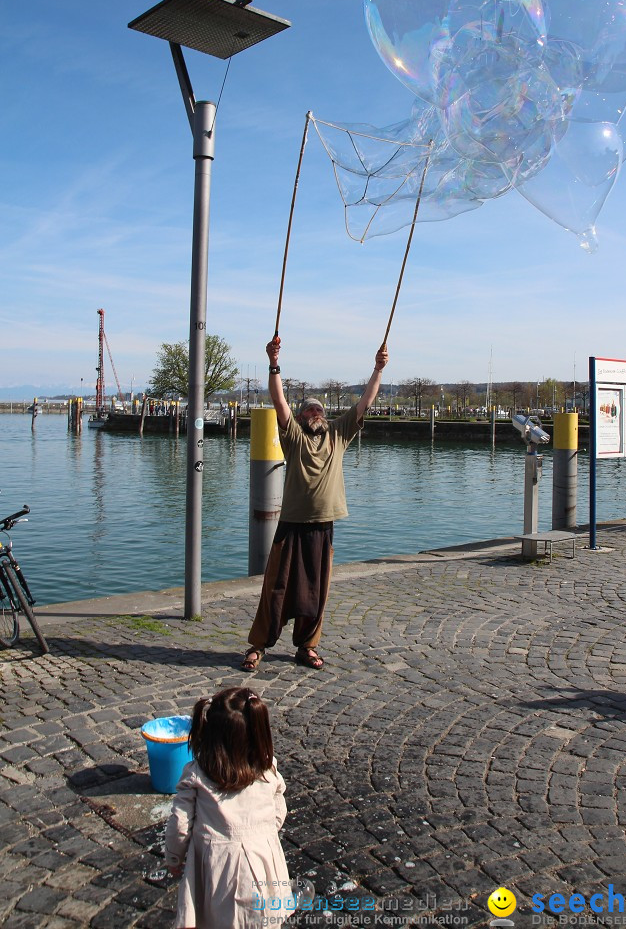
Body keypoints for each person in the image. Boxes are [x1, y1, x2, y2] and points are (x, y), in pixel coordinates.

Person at [242, 335, 388, 672]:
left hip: (324, 523)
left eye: (319, 408)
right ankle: (258, 645)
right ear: (301, 415)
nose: (315, 412)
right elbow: (278, 400)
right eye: (309, 408)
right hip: (291, 522)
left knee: (316, 592)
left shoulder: (339, 434)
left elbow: (366, 401)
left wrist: (377, 369)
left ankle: (307, 646)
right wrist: (273, 362)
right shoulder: (292, 435)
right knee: (275, 588)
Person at [165, 686, 292, 929]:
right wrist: (264, 834)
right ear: (259, 733)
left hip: (217, 868)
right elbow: (278, 811)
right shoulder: (268, 768)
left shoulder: (197, 774)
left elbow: (179, 825)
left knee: (220, 920)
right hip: (264, 862)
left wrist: (174, 857)